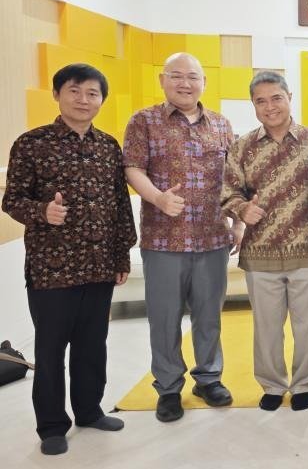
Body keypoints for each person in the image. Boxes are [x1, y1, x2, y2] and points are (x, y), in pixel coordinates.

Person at [2, 63, 137, 456]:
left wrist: (122, 255)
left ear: (101, 100)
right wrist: (42, 211)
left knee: (93, 345)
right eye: (74, 91)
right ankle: (51, 426)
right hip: (52, 269)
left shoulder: (108, 146)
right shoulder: (31, 143)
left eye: (92, 93)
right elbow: (12, 200)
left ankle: (90, 411)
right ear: (57, 94)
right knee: (50, 351)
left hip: (99, 265)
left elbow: (120, 205)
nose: (83, 99)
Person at [123, 52, 236, 422]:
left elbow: (233, 179)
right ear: (162, 80)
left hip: (213, 238)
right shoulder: (143, 121)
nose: (185, 83)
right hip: (163, 240)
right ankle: (169, 388)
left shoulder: (221, 124)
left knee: (209, 316)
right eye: (176, 75)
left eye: (192, 76)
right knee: (164, 318)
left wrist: (237, 223)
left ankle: (209, 379)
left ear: (204, 82)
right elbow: (132, 168)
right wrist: (157, 197)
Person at [220, 72, 308, 412]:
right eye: (261, 101)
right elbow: (228, 192)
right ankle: (272, 385)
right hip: (261, 253)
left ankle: (305, 385)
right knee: (267, 328)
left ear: (289, 97)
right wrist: (242, 209)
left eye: (276, 98)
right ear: (253, 105)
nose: (270, 107)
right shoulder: (242, 146)